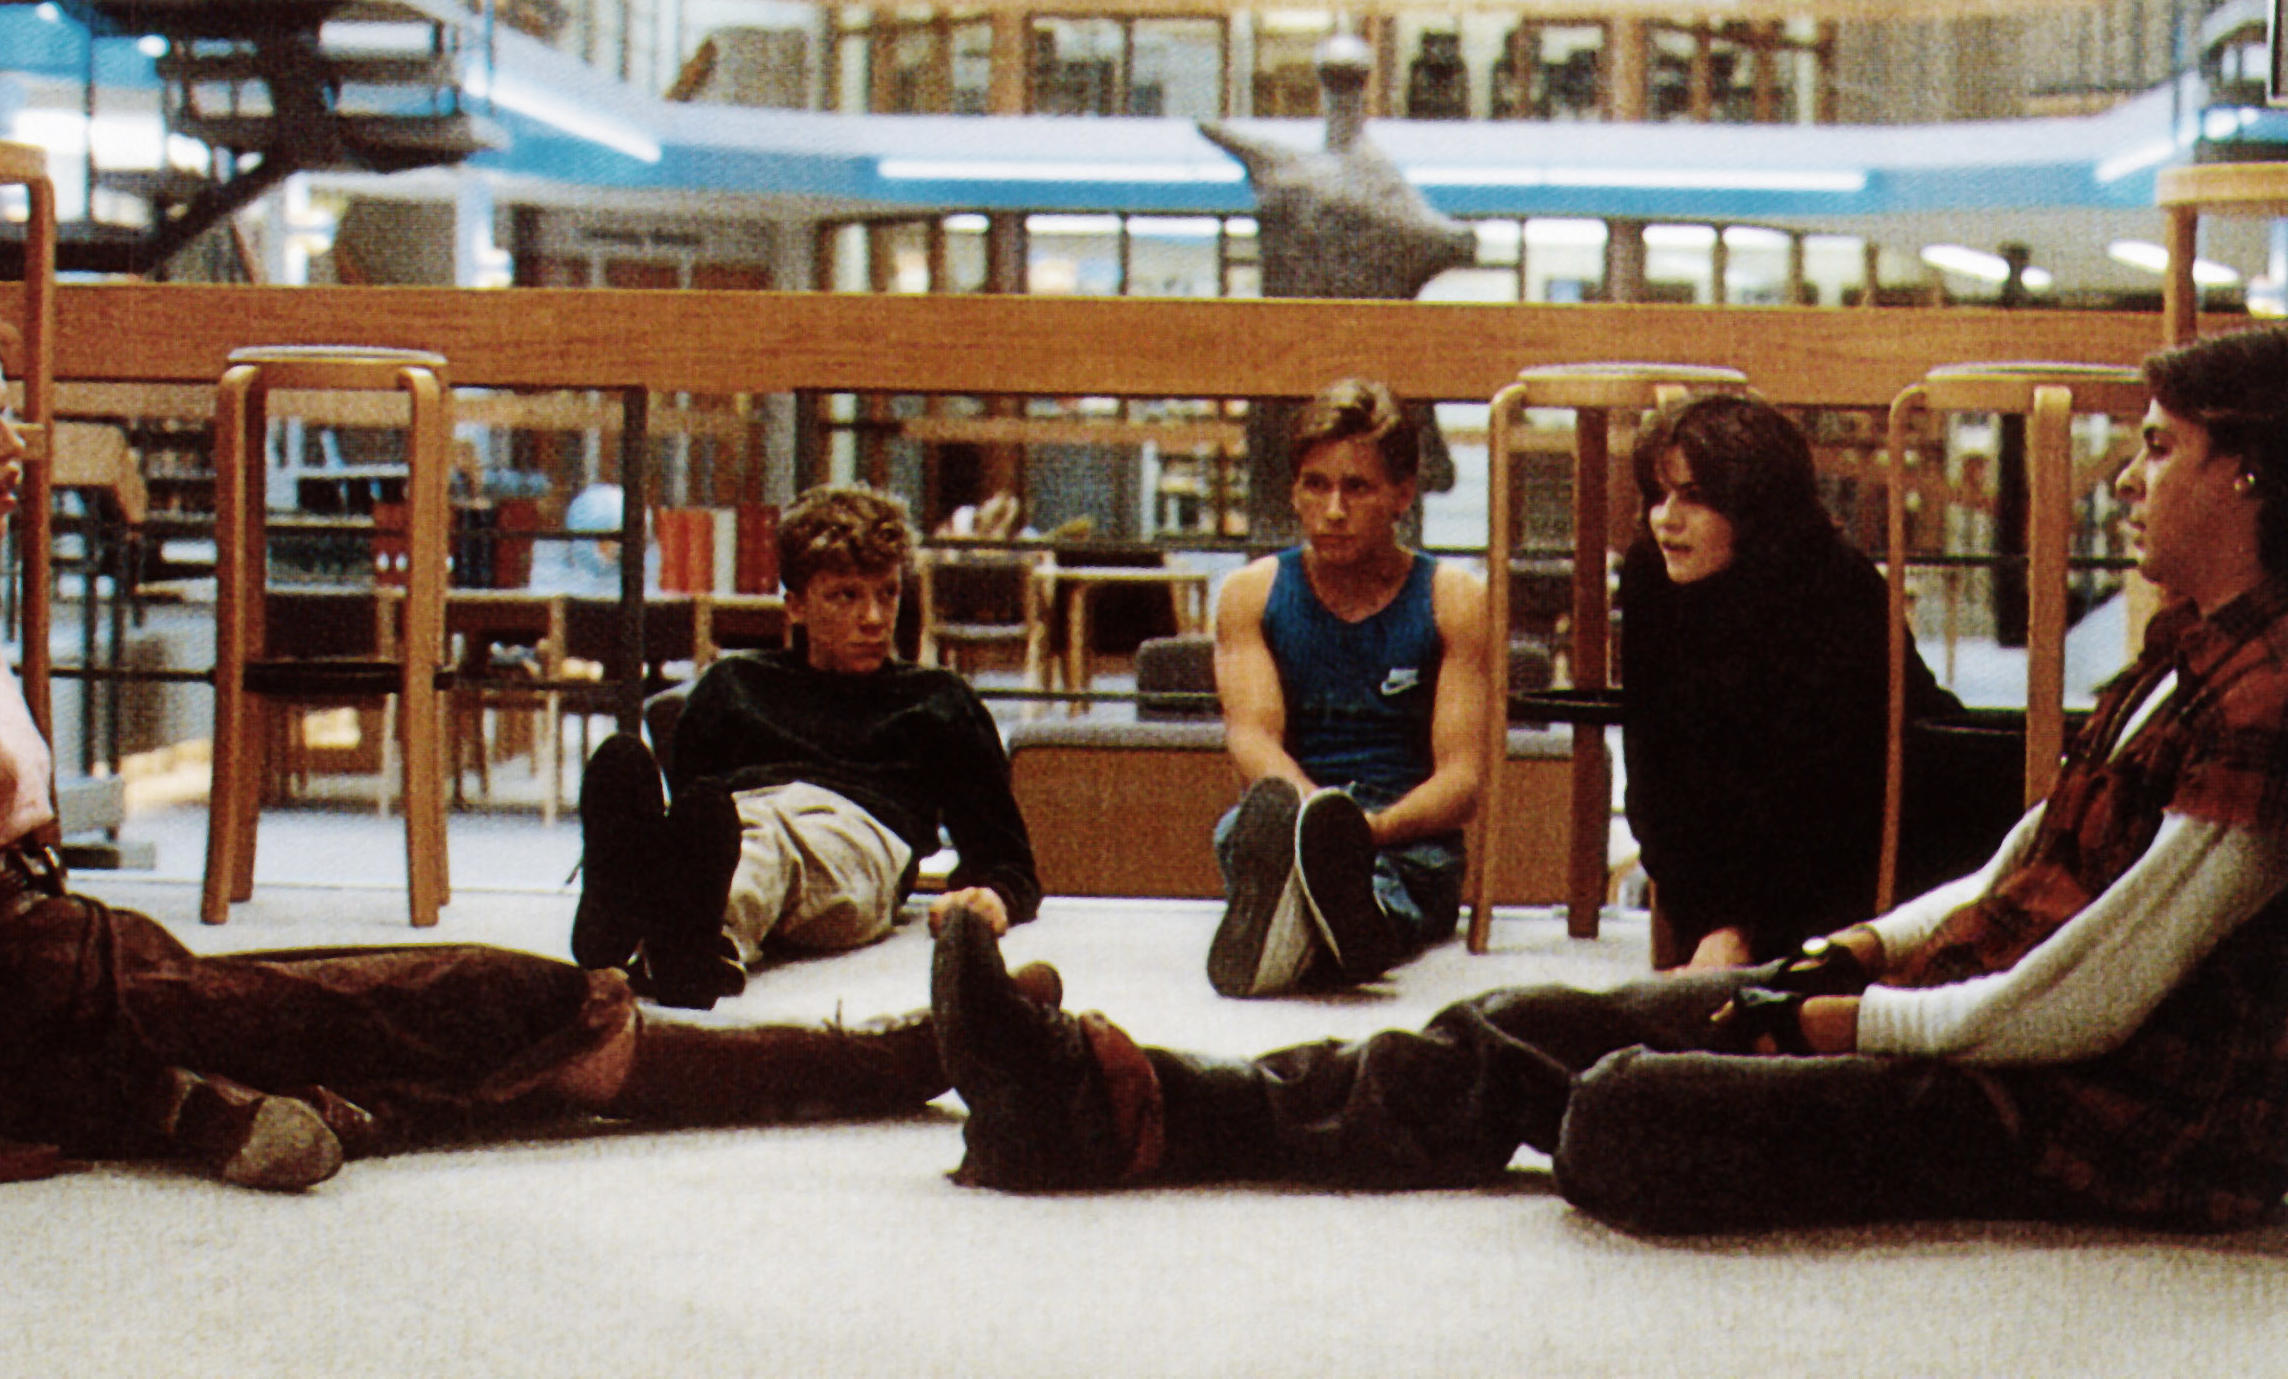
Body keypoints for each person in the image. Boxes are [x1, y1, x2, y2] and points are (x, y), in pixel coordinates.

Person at [933, 324, 2288, 1235]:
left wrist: (1843, 1017)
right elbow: (2020, 865)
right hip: (1964, 1017)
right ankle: (1139, 1102)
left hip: (2072, 1113)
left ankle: (1137, 1112)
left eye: (2156, 448)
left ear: (2245, 470)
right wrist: (1852, 954)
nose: (2127, 478)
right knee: (1534, 1016)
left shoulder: (2272, 694)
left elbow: (2096, 997)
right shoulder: (2184, 652)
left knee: (1625, 1108)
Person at [0, 278, 952, 1206]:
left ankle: (213, 1110)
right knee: (484, 993)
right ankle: (881, 1064)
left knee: (426, 1022)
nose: (17, 447)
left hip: (72, 970)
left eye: (10, 415)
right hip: (25, 1005)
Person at [572, 484, 1041, 1010]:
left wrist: (994, 897)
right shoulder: (732, 684)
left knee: (769, 846)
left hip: (857, 837)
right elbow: (698, 819)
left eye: (887, 593)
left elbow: (1009, 862)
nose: (874, 618)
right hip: (743, 814)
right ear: (795, 604)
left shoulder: (936, 701)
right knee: (731, 826)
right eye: (846, 595)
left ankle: (670, 932)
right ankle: (659, 931)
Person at [1620, 393, 2015, 972]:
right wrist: (1710, 921)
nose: (1665, 519)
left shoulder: (1835, 587)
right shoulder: (1650, 574)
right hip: (1778, 837)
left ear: (1752, 506)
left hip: (1915, 806)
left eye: (1695, 498)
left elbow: (1830, 792)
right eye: (1658, 495)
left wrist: (1743, 929)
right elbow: (1653, 774)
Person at [1205, 377, 1489, 997]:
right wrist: (1318, 830)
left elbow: (1462, 780)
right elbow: (1252, 740)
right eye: (1317, 485)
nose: (1334, 509)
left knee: (1388, 881)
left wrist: (1364, 833)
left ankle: (1323, 931)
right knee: (1245, 831)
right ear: (1294, 492)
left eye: (1356, 488)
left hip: (1404, 838)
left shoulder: (1454, 599)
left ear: (1401, 496)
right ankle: (1314, 928)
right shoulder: (1250, 594)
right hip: (1292, 821)